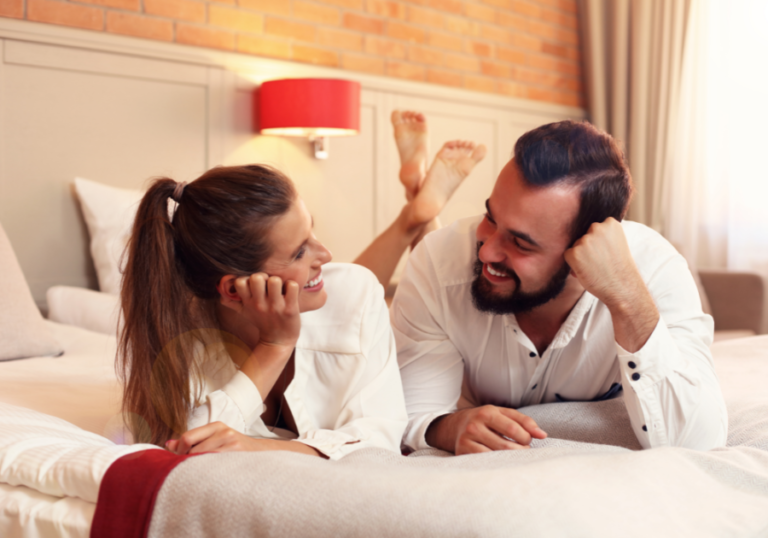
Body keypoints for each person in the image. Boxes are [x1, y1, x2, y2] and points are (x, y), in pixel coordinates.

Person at [118, 111, 486, 459]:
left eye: (313, 230)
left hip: (407, 364)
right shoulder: (180, 337)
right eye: (298, 252)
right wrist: (274, 346)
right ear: (233, 290)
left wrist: (260, 447)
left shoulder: (356, 293)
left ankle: (417, 216)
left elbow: (381, 437)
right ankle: (416, 213)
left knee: (352, 286)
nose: (325, 252)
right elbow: (181, 447)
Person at [390, 120, 728, 455]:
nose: (487, 250)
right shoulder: (438, 262)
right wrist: (447, 427)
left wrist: (626, 299)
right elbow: (410, 414)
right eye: (491, 218)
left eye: (521, 243)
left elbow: (698, 441)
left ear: (584, 252)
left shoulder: (655, 270)